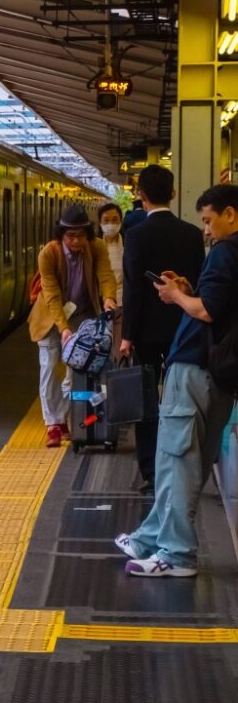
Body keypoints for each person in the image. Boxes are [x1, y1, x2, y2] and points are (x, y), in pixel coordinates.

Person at [117, 184, 238, 578]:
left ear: (230, 214)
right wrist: (189, 289)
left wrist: (175, 296)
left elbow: (206, 311)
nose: (206, 229)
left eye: (208, 220)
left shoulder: (226, 251)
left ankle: (177, 553)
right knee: (188, 461)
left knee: (175, 461)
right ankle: (150, 537)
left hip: (195, 369)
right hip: (220, 375)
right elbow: (219, 305)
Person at [119, 165, 205, 493]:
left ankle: (152, 472)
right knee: (182, 398)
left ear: (140, 195)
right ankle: (183, 465)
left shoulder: (137, 235)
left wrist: (127, 335)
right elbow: (198, 282)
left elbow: (134, 289)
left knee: (146, 399)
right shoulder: (192, 234)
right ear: (173, 192)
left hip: (144, 332)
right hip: (185, 327)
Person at [28, 206, 118, 447]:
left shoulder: (96, 246)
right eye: (71, 236)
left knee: (75, 369)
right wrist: (64, 328)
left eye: (80, 235)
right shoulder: (48, 253)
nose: (76, 240)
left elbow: (105, 275)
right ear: (61, 235)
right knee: (48, 368)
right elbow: (52, 294)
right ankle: (53, 424)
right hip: (50, 317)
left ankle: (66, 417)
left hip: (83, 315)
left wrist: (109, 298)